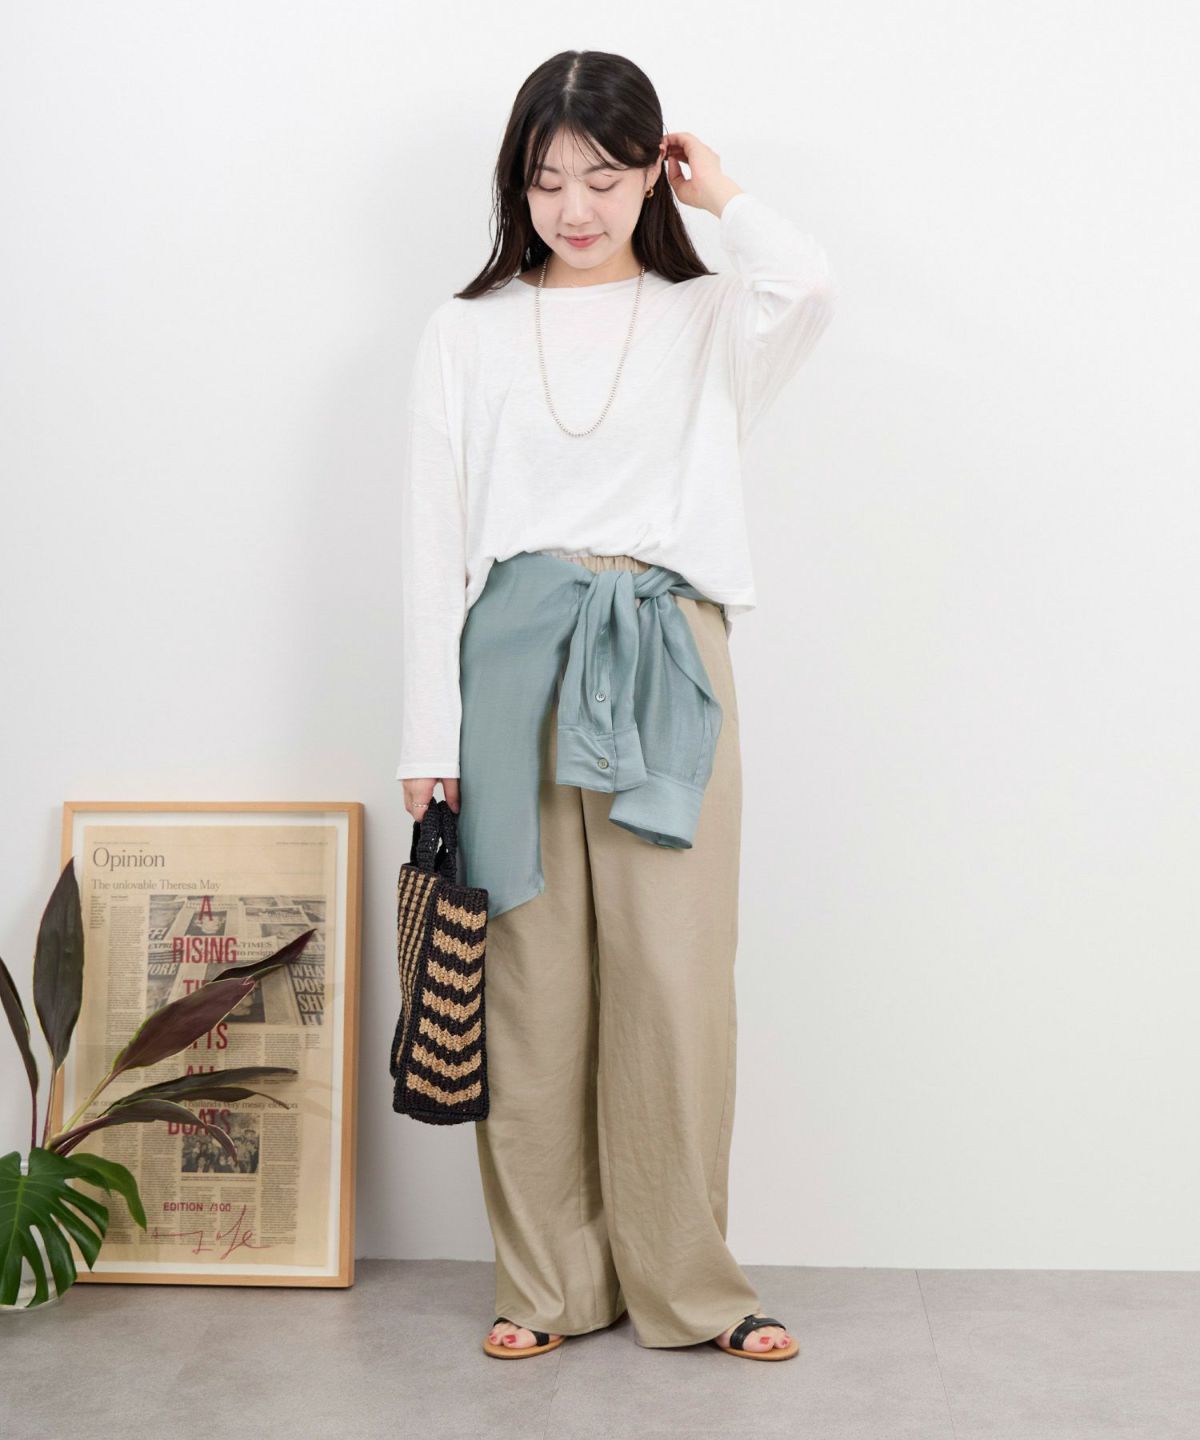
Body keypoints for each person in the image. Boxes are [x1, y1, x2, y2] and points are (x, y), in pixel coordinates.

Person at [396, 49, 837, 1361]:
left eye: (603, 175)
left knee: (674, 978)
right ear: (514, 185)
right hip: (513, 658)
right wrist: (425, 734)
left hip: (665, 655)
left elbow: (809, 284)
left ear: (654, 170)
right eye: (546, 180)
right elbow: (429, 544)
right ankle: (546, 1287)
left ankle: (693, 1288)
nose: (574, 208)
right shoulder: (464, 330)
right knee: (527, 982)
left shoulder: (709, 319)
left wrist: (725, 194)